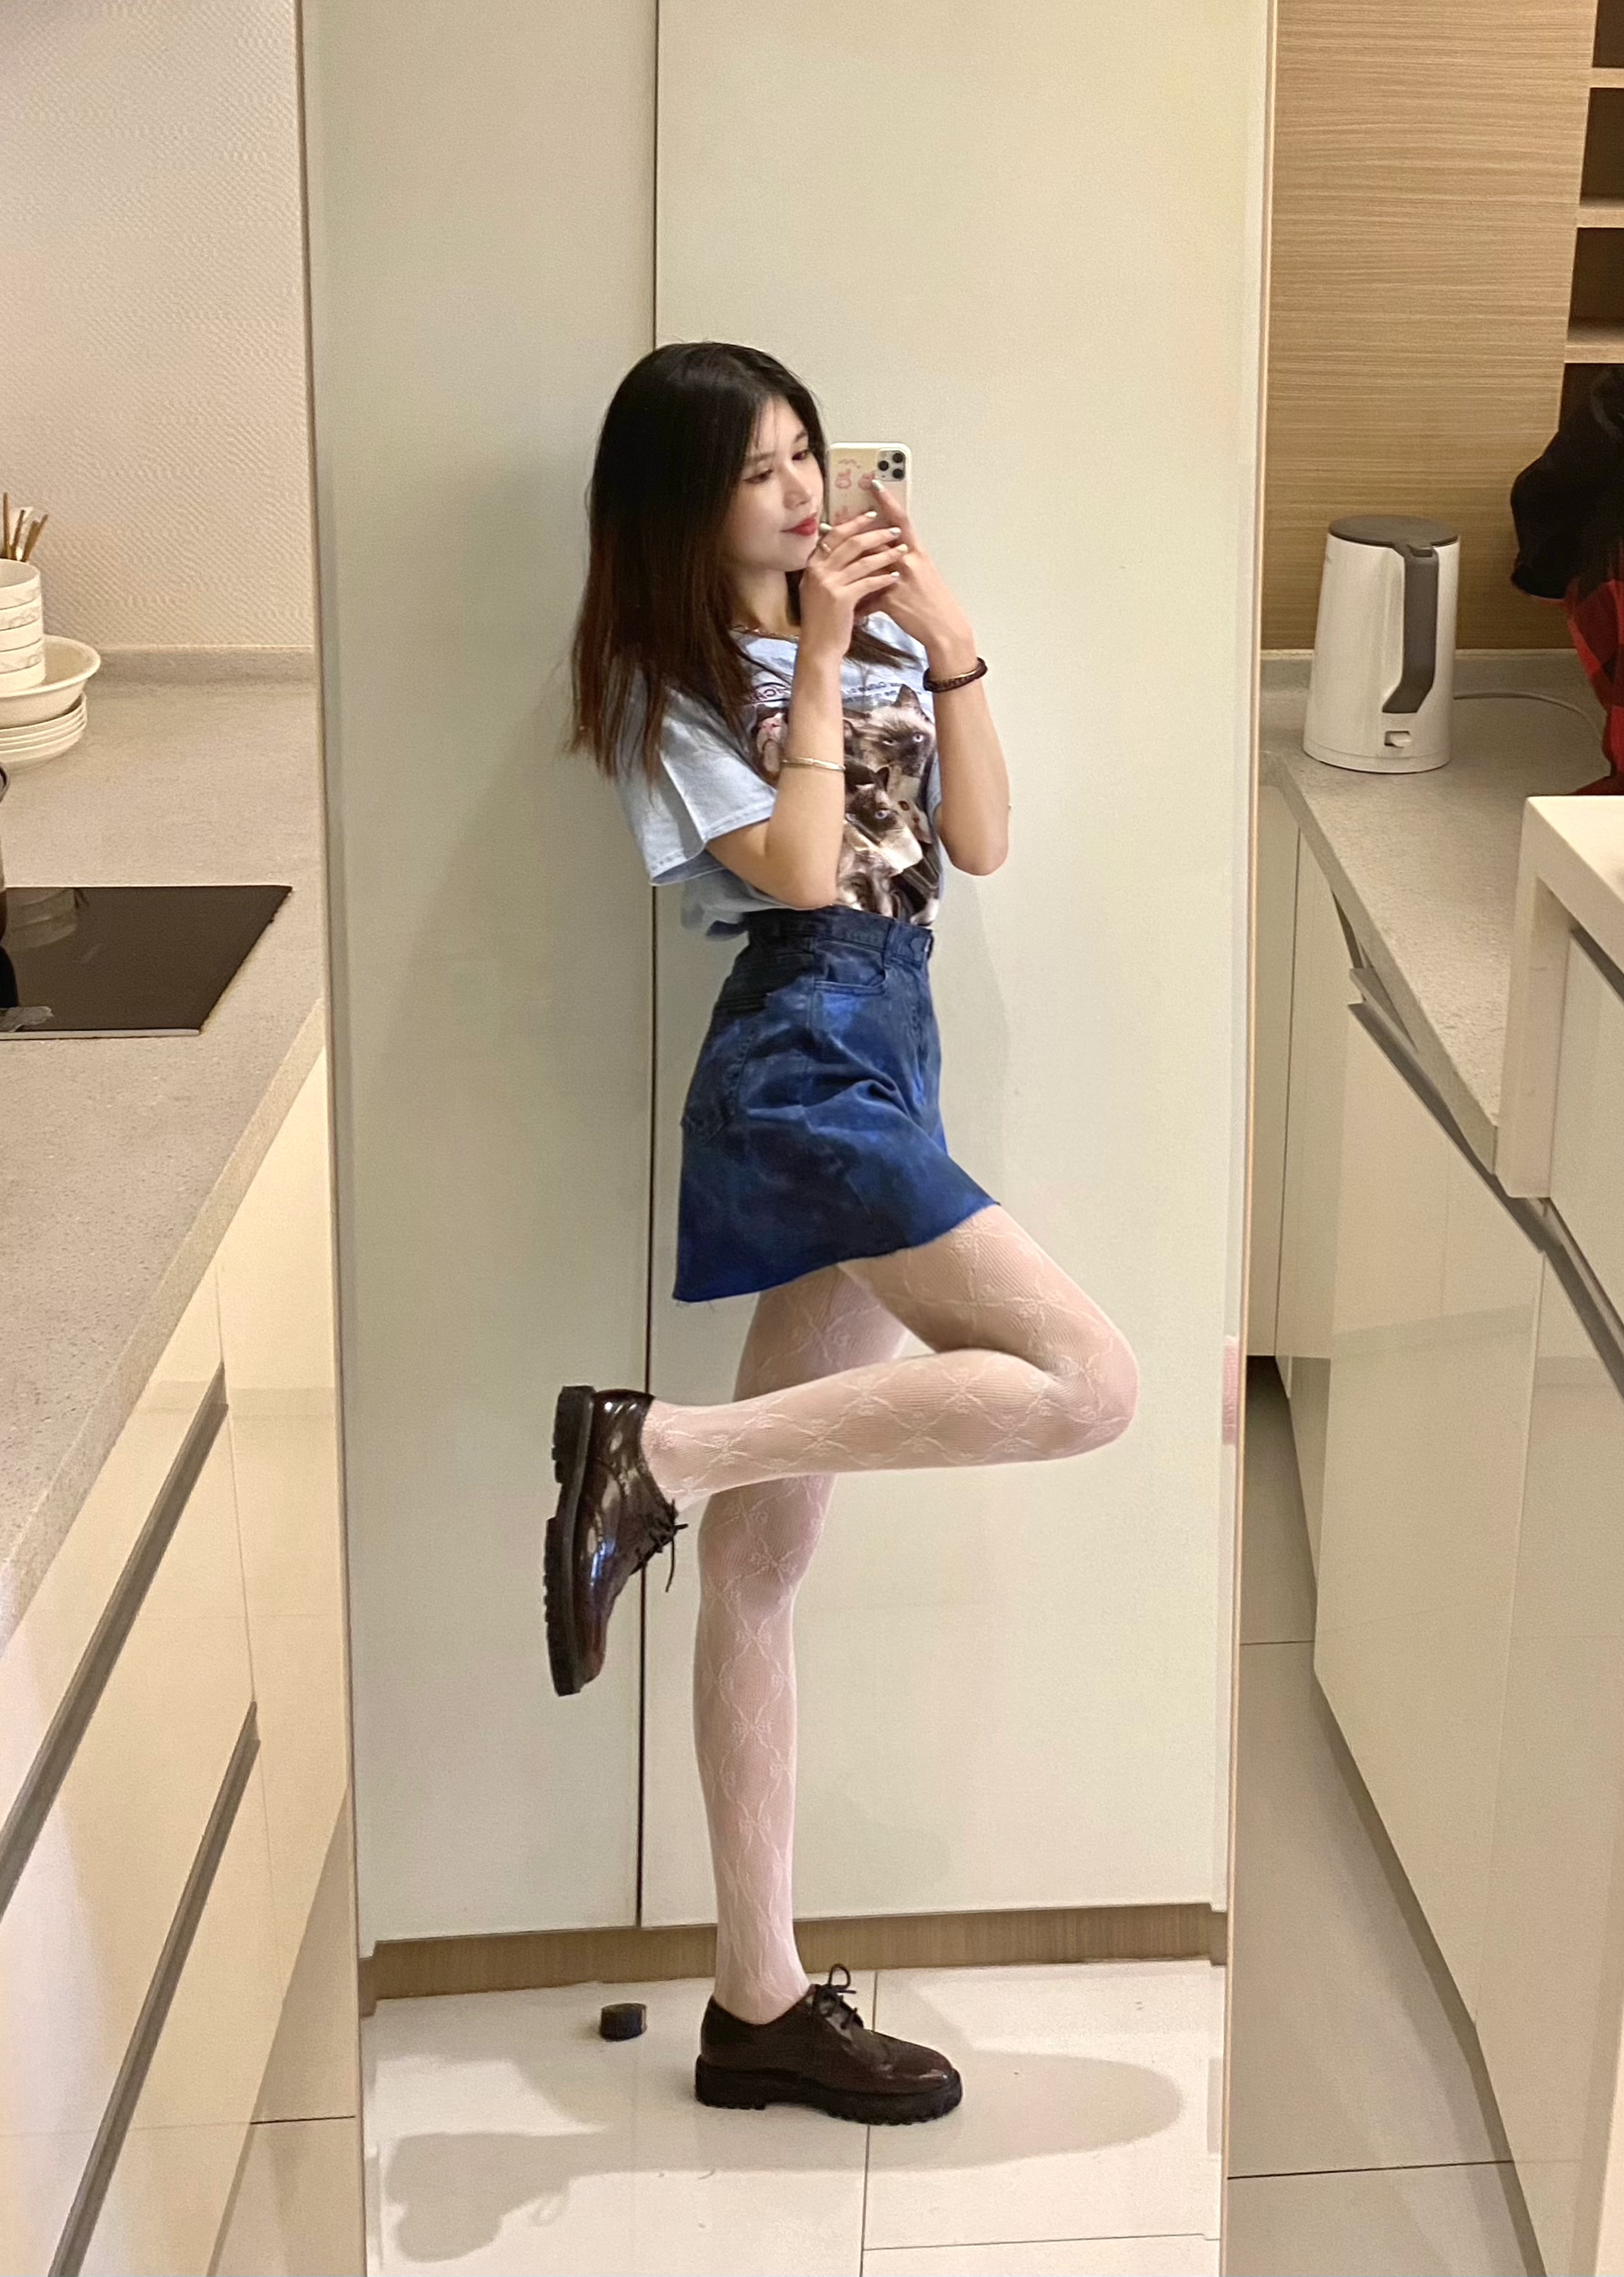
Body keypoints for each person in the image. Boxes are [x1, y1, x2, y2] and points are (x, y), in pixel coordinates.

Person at [545, 340, 1138, 2125]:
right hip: (800, 1055)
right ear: (681, 503)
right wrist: (811, 657)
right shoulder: (663, 689)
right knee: (1089, 1383)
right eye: (757, 470)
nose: (802, 492)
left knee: (756, 1567)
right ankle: (654, 1450)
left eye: (807, 453)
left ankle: (755, 2003)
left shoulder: (875, 635)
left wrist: (944, 642)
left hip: (893, 1039)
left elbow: (982, 839)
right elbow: (804, 871)